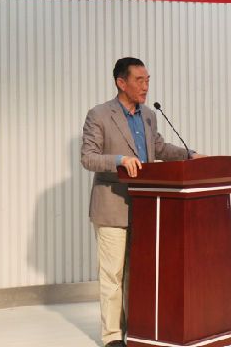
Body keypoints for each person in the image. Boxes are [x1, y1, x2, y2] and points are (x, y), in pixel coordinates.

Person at [81, 57, 203, 347]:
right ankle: (112, 336)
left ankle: (136, 330)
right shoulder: (99, 114)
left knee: (137, 274)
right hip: (112, 205)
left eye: (148, 80)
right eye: (139, 80)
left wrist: (189, 155)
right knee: (113, 274)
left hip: (147, 208)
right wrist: (120, 160)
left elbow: (158, 147)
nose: (146, 86)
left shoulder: (148, 115)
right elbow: (88, 157)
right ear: (121, 83)